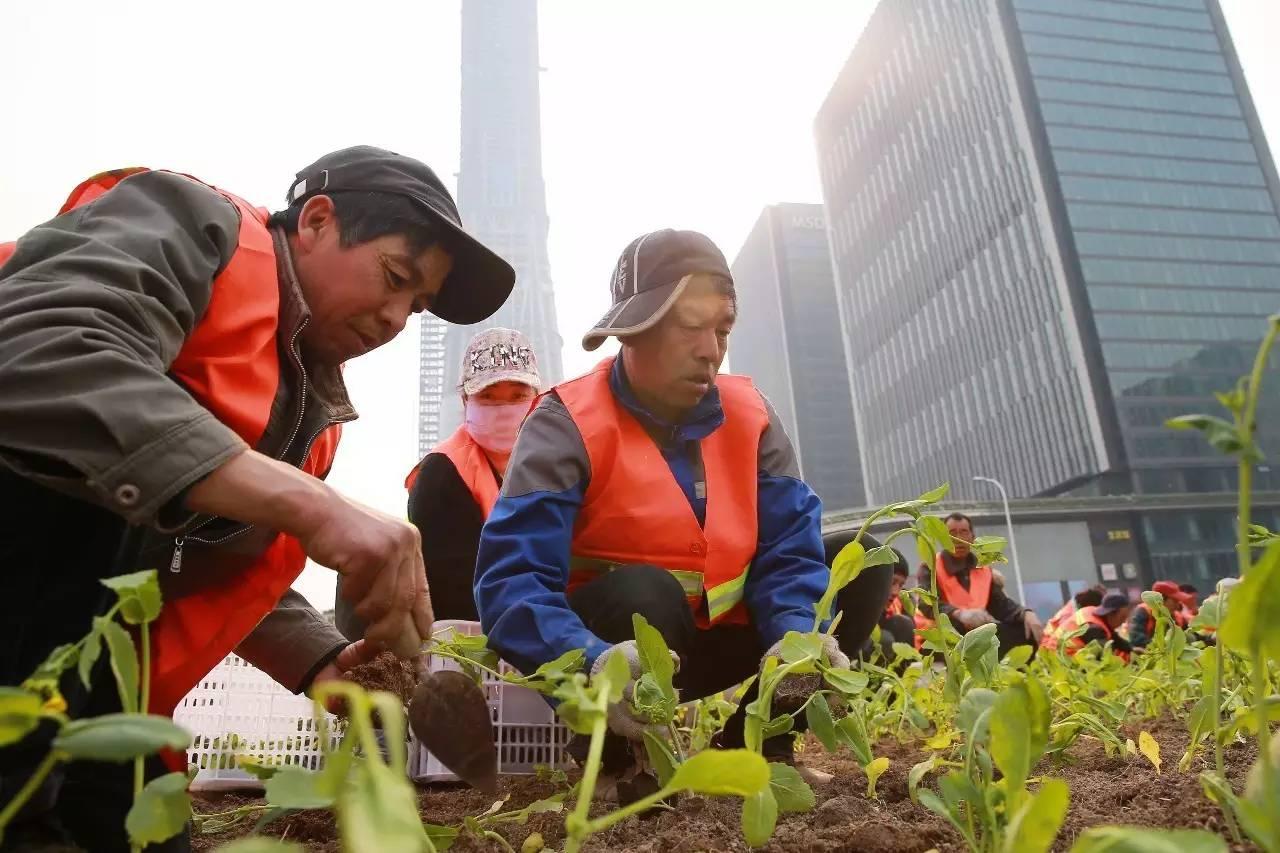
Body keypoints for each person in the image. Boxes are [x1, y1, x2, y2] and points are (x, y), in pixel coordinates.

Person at [0, 146, 513, 851]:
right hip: (27, 606)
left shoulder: (306, 417)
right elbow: (38, 351)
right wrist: (314, 506)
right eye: (395, 277)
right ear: (318, 221)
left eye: (416, 305)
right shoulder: (188, 226)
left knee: (143, 833)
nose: (397, 318)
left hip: (97, 684)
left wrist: (325, 660)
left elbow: (210, 562)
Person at [474, 229, 892, 797]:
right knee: (645, 595)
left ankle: (755, 749)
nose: (711, 348)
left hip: (718, 641)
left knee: (862, 560)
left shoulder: (752, 417)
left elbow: (790, 549)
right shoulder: (565, 423)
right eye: (691, 326)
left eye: (722, 329)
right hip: (614, 654)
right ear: (634, 329)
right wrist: (593, 667)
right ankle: (617, 758)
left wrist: (798, 640)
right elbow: (511, 580)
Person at [336, 327, 541, 637]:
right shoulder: (442, 472)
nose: (503, 409)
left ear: (536, 399)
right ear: (465, 400)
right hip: (470, 629)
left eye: (517, 396)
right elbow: (453, 589)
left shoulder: (554, 463)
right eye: (488, 396)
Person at [914, 513, 1043, 659]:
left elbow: (1001, 604)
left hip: (977, 634)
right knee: (962, 634)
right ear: (943, 538)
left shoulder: (984, 569)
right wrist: (959, 614)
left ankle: (1014, 676)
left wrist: (1025, 613)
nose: (959, 539)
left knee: (1024, 631)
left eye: (964, 532)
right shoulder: (930, 566)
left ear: (972, 537)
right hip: (940, 638)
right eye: (952, 533)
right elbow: (926, 604)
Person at [1040, 592, 1134, 662]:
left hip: (1058, 654)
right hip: (1059, 661)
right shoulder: (1093, 628)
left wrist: (1132, 649)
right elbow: (1107, 654)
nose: (1123, 622)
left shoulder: (1092, 612)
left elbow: (1115, 639)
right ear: (1111, 613)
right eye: (1122, 617)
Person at [1125, 580, 1193, 649]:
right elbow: (1137, 639)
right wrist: (1164, 648)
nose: (1177, 605)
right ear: (1160, 600)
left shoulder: (1178, 617)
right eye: (1175, 601)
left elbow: (1191, 635)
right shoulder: (1143, 612)